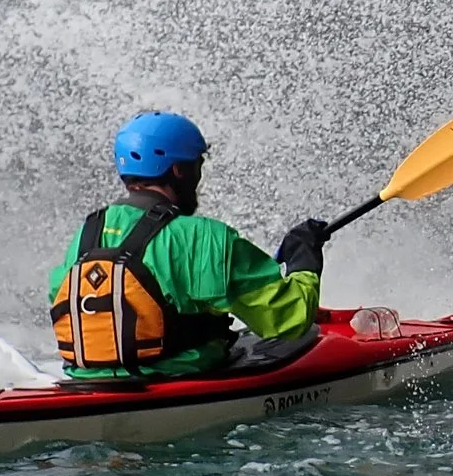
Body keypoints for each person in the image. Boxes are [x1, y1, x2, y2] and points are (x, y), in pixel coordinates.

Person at [48, 111, 329, 379]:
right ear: (179, 170)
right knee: (306, 336)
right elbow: (289, 318)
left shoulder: (87, 232)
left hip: (87, 379)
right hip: (175, 379)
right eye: (197, 165)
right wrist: (304, 262)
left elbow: (60, 296)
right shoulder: (205, 237)